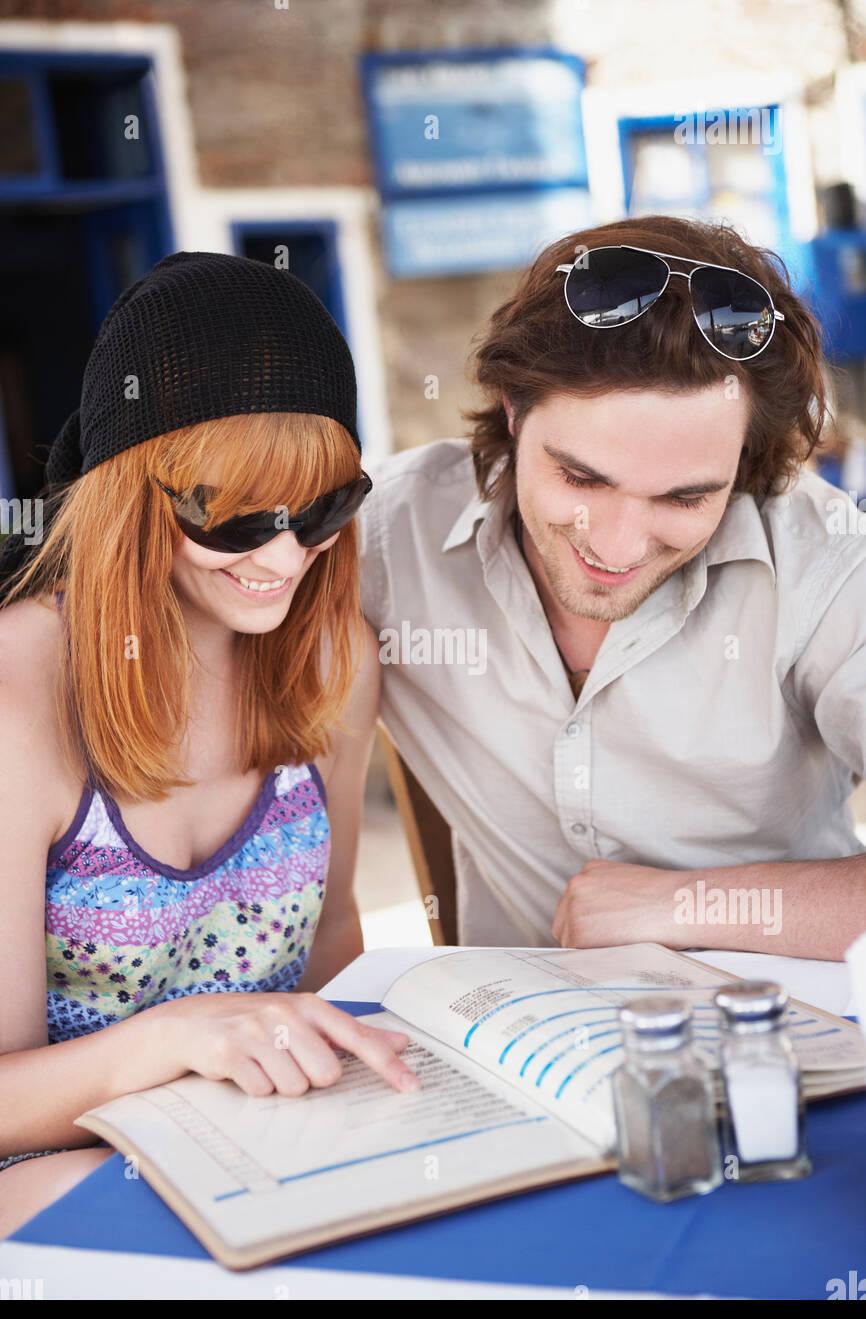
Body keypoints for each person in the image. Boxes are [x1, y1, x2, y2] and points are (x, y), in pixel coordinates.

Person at [0, 251, 418, 1238]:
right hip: (53, 1169)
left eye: (322, 510)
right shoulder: (18, 695)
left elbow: (328, 944)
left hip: (262, 1154)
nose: (283, 558)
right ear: (132, 492)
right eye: (237, 519)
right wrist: (175, 1040)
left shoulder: (331, 659)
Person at [360, 214, 866, 963]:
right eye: (581, 477)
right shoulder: (383, 537)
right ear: (511, 407)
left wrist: (684, 906)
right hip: (517, 1054)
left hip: (796, 1049)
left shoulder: (826, 561)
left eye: (685, 499)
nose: (618, 545)